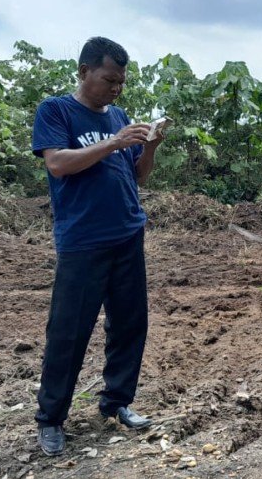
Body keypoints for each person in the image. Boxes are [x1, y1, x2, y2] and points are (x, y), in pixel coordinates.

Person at [31, 37, 164, 457]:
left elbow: (138, 177)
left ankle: (117, 402)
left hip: (128, 233)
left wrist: (150, 147)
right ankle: (51, 419)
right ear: (84, 71)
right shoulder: (55, 111)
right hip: (83, 241)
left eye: (121, 81)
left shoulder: (119, 116)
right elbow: (57, 163)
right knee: (68, 332)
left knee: (129, 324)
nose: (116, 88)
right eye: (109, 79)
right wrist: (113, 142)